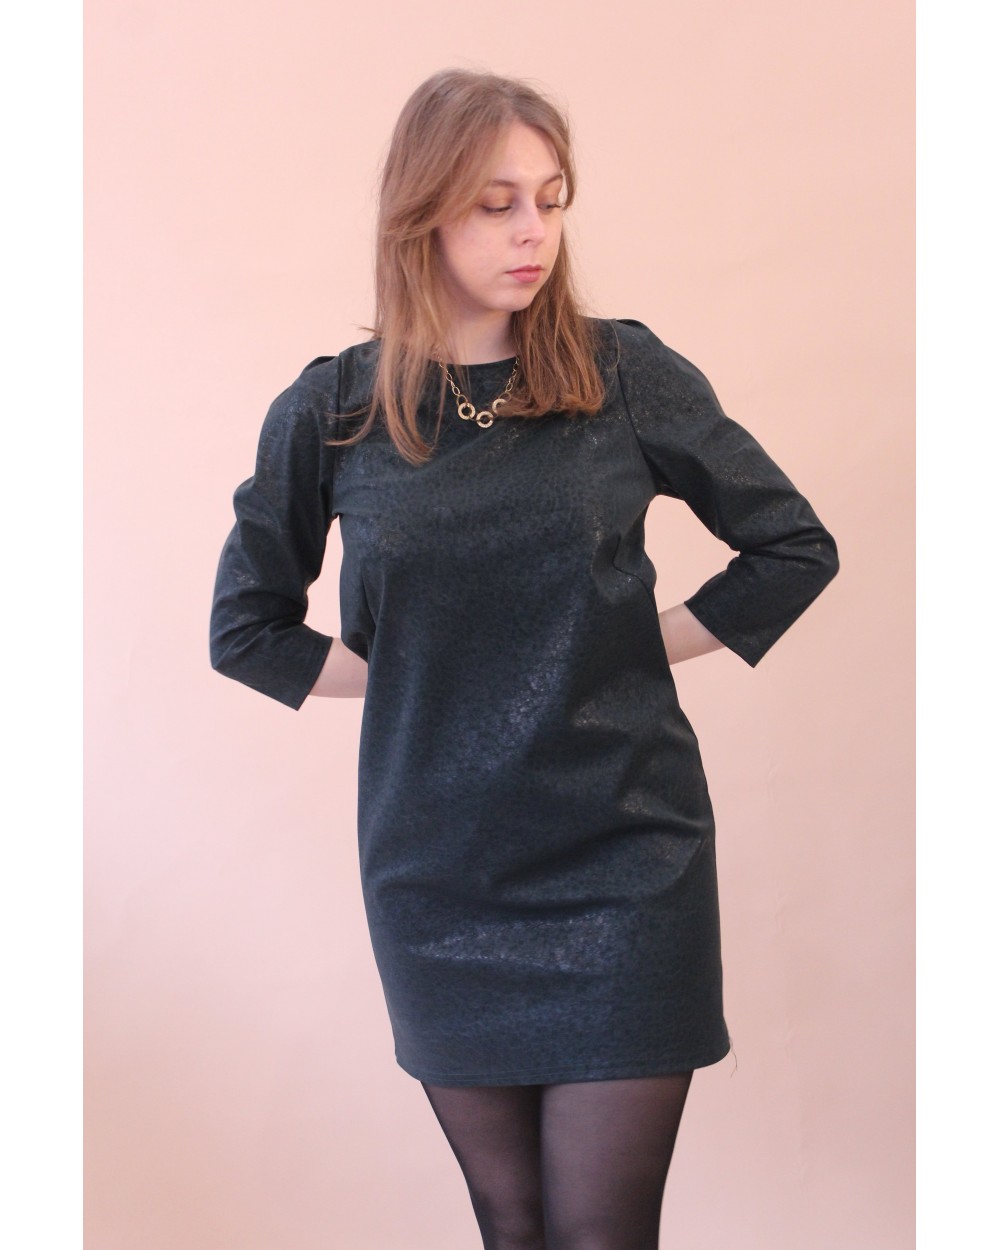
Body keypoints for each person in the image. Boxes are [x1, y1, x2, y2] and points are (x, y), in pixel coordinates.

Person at [210, 68, 839, 1250]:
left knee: (601, 1232)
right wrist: (427, 671)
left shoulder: (622, 373)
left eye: (550, 199)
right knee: (514, 1227)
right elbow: (245, 629)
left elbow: (792, 547)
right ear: (422, 213)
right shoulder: (335, 408)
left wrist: (628, 644)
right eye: (495, 202)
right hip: (437, 875)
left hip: (624, 861)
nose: (531, 231)